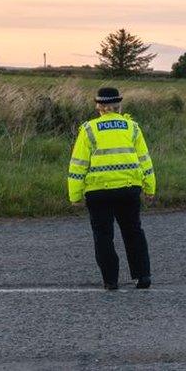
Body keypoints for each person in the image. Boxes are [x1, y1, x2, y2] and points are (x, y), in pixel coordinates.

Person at [68, 87, 155, 290]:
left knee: (103, 236)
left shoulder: (89, 129)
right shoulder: (132, 127)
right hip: (129, 189)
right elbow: (144, 160)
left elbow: (78, 164)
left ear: (99, 107)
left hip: (98, 192)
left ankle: (111, 281)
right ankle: (142, 277)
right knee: (133, 232)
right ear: (119, 106)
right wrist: (150, 188)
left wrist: (75, 195)